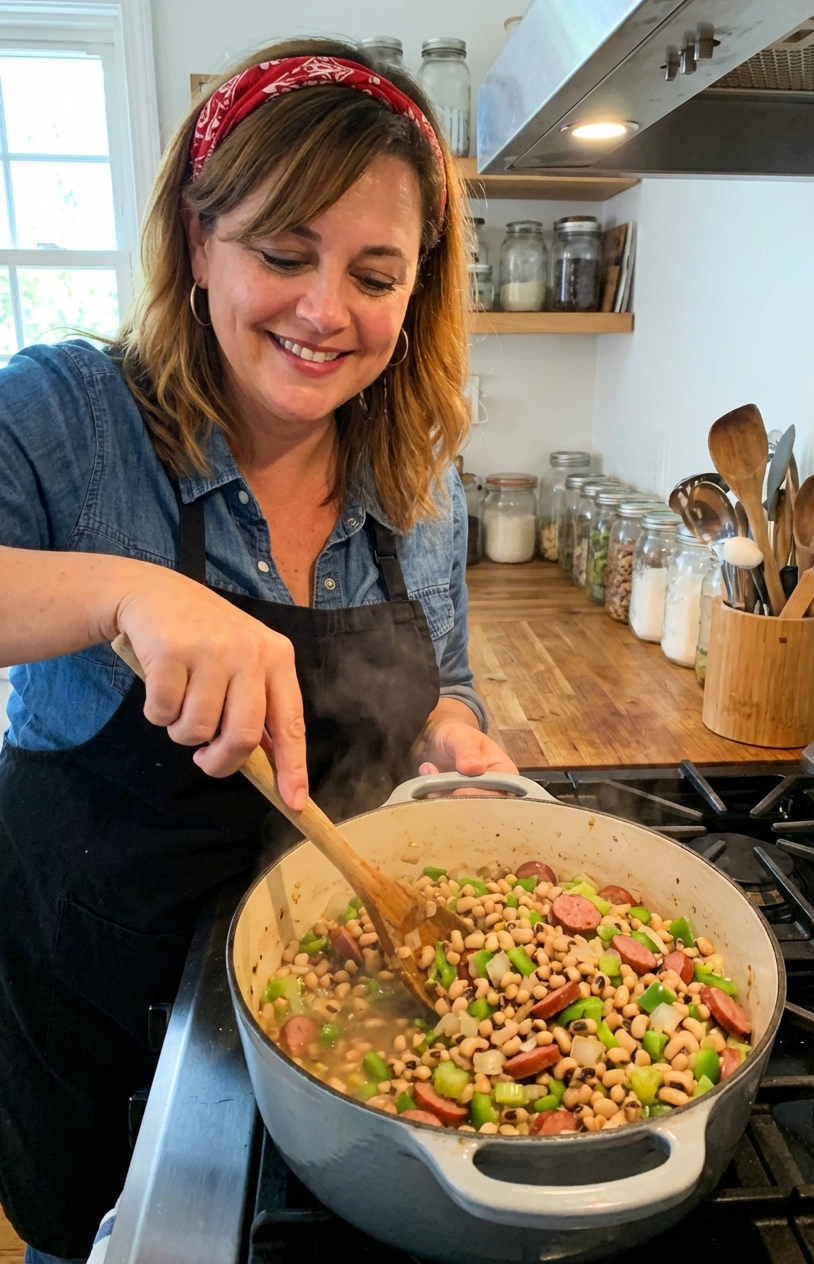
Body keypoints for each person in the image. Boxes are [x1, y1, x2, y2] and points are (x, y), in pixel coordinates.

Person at [0, 38, 517, 1262]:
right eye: (282, 253)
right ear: (196, 238)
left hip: (357, 1041)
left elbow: (439, 678)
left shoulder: (417, 481)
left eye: (374, 274)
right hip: (99, 1030)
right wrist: (123, 594)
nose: (324, 310)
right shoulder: (63, 414)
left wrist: (452, 735)